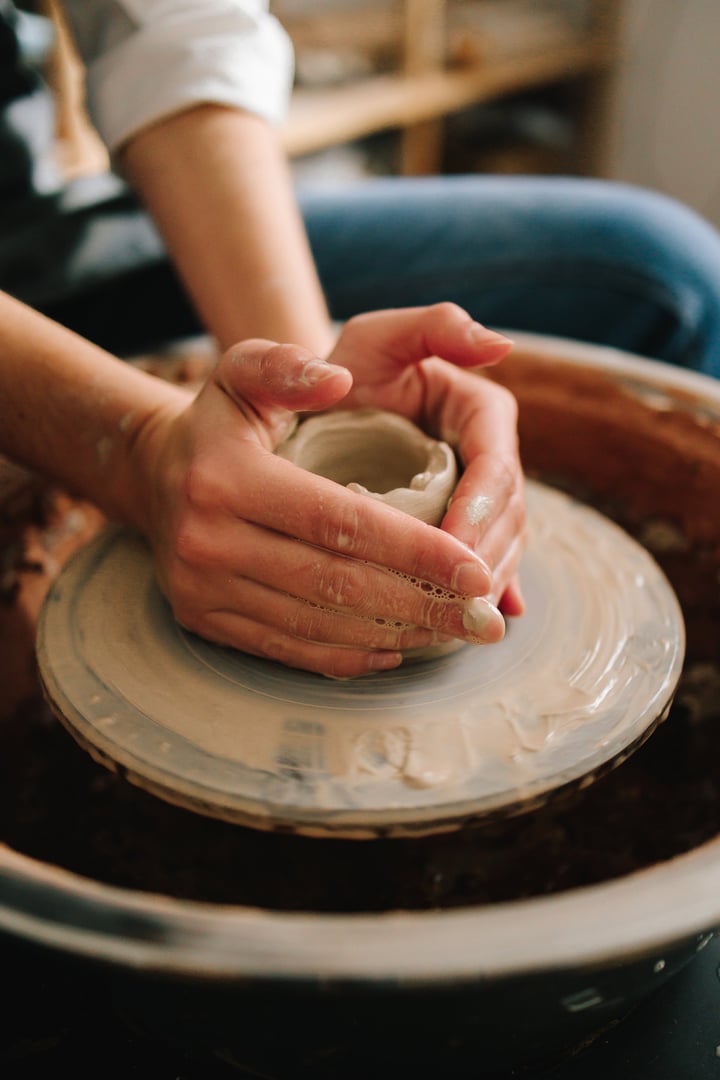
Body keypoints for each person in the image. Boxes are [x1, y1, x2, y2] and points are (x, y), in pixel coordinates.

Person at [2, 1, 720, 679]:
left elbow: (164, 28)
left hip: (34, 224)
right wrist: (136, 449)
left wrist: (303, 392)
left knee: (670, 282)